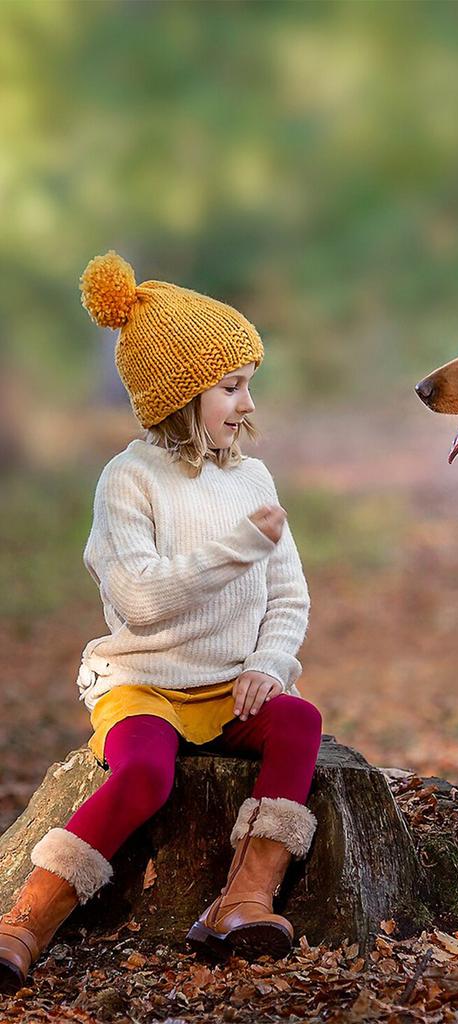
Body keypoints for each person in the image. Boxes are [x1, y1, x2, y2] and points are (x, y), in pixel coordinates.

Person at [0, 252, 322, 989]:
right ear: (180, 396)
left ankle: (244, 899)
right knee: (145, 774)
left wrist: (267, 666)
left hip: (227, 687)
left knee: (301, 722)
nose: (247, 405)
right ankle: (27, 917)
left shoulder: (253, 478)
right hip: (144, 682)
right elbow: (141, 598)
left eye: (249, 386)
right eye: (231, 387)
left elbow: (288, 595)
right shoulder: (128, 481)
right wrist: (239, 544)